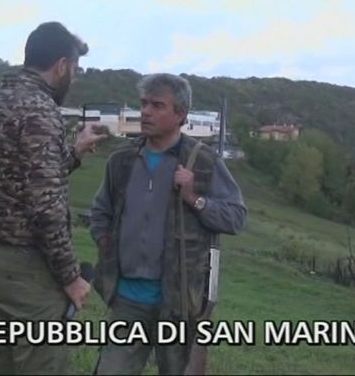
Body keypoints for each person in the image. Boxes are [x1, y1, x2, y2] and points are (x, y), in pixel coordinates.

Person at [0, 21, 108, 375]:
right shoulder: (40, 110)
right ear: (61, 65)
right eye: (74, 69)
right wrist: (71, 276)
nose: (73, 79)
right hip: (30, 269)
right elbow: (45, 206)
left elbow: (21, 177)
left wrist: (74, 151)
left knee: (1, 367)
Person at [89, 73, 247, 375]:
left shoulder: (204, 162)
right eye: (143, 103)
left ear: (180, 115)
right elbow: (100, 211)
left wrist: (194, 198)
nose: (146, 112)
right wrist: (106, 244)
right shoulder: (122, 160)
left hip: (179, 305)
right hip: (127, 300)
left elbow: (237, 218)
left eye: (157, 105)